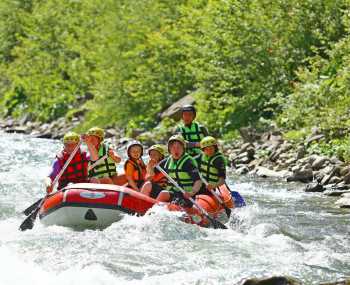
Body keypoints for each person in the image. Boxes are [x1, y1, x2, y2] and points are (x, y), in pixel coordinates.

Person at [156, 134, 203, 206]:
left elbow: (198, 181)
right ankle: (153, 212)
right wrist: (150, 167)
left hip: (187, 194)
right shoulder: (167, 161)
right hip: (173, 192)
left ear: (183, 149)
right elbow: (152, 172)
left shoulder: (188, 162)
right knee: (163, 193)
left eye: (178, 147)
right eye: (173, 148)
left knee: (166, 195)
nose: (176, 150)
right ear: (169, 150)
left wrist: (192, 192)